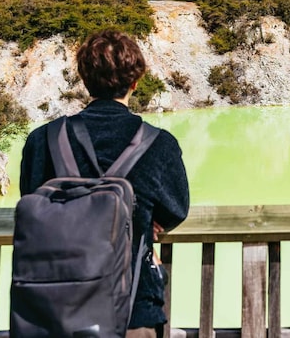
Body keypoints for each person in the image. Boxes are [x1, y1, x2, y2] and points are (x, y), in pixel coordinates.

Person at [19, 29, 190, 338]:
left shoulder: (41, 140)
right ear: (135, 82)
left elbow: (32, 200)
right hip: (132, 309)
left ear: (85, 79)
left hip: (53, 309)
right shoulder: (159, 144)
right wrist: (141, 220)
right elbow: (176, 208)